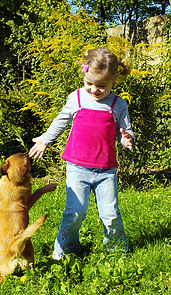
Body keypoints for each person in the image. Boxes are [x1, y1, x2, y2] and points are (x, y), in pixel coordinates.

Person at [29, 48, 135, 260]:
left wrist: (127, 139)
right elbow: (60, 121)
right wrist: (44, 139)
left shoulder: (118, 104)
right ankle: (66, 249)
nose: (94, 90)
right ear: (84, 75)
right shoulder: (76, 98)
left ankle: (115, 250)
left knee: (110, 214)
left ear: (114, 81)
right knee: (74, 213)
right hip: (77, 167)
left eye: (101, 86)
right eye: (89, 84)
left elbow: (125, 130)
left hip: (106, 170)